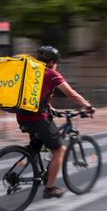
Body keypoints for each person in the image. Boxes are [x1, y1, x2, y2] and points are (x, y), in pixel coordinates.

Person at [17, 46, 95, 199]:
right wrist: (88, 106)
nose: (57, 65)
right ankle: (50, 188)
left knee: (40, 144)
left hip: (22, 117)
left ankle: (38, 169)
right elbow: (71, 94)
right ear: (52, 62)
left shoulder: (32, 72)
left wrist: (51, 108)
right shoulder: (51, 74)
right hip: (38, 119)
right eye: (56, 62)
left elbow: (37, 96)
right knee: (59, 150)